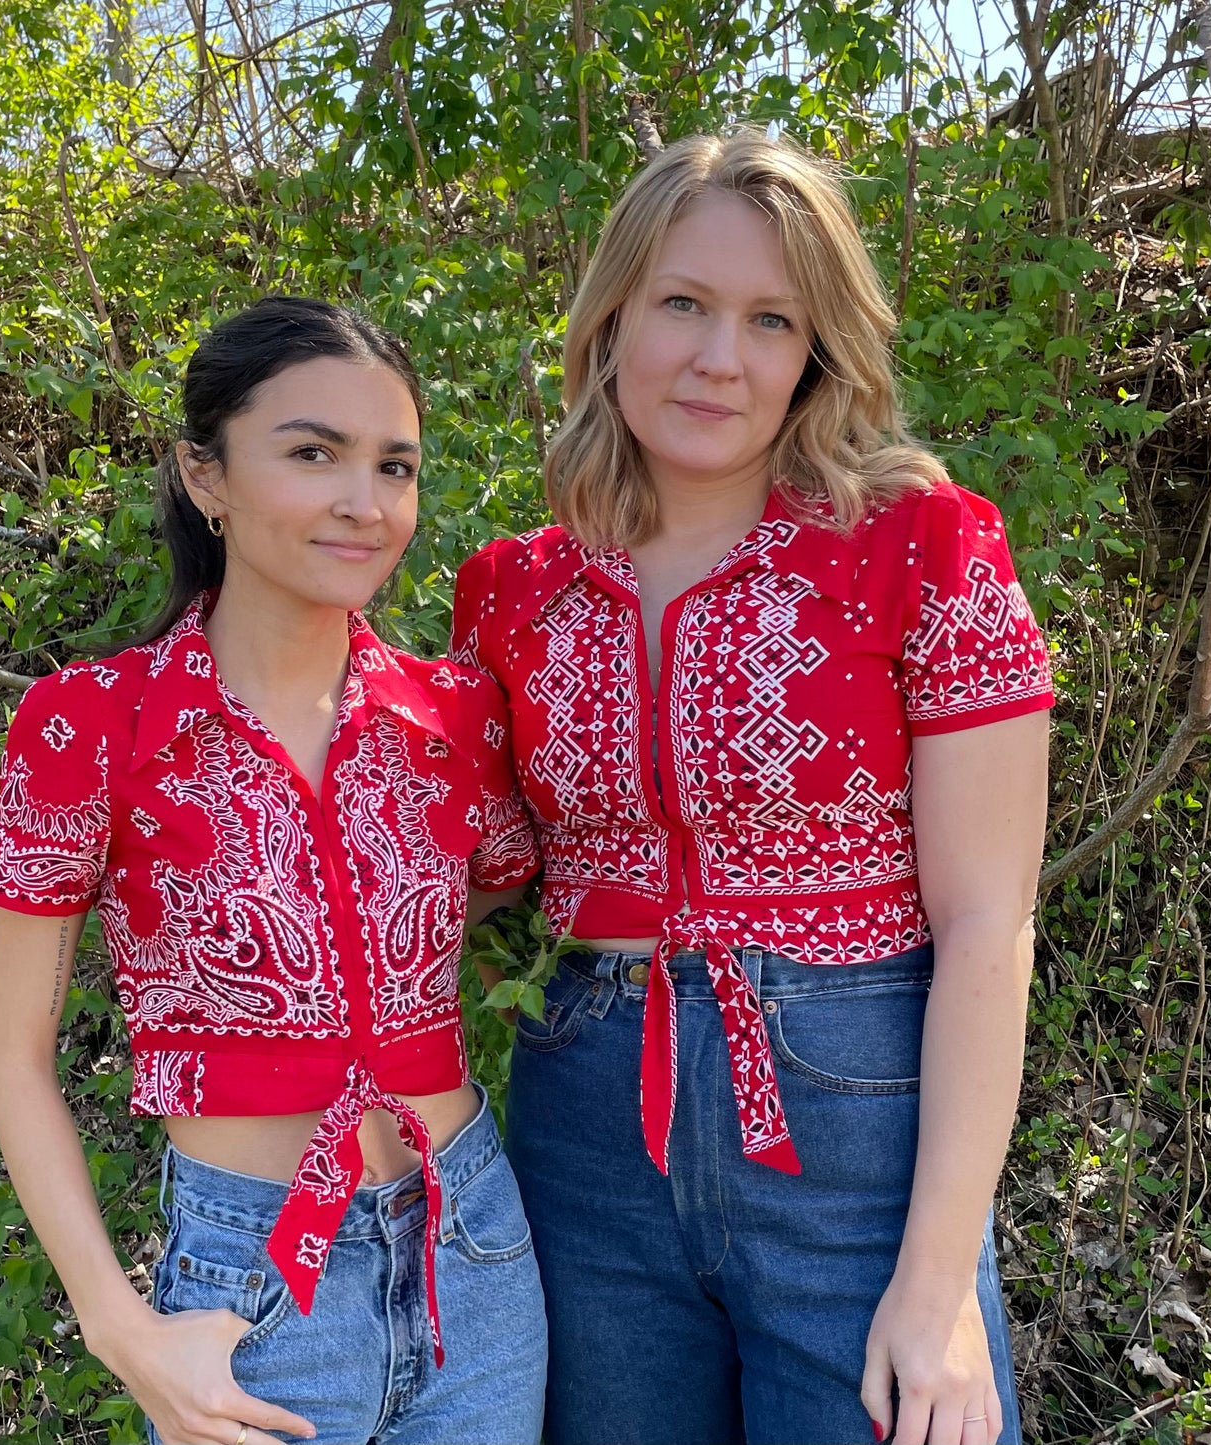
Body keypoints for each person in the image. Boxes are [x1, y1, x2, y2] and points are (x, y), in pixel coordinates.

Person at [452, 131, 1054, 1445]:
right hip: (588, 1128)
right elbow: (467, 873)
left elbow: (988, 923)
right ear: (610, 318)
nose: (720, 356)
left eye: (769, 319)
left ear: (814, 352)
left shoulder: (920, 545)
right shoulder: (515, 589)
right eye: (683, 303)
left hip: (853, 1136)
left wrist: (941, 1280)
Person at [0, 297, 547, 1445]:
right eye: (311, 452)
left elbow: (489, 879)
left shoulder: (450, 714)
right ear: (207, 477)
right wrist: (119, 1327)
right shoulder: (93, 722)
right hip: (253, 1280)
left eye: (394, 465)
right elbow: (15, 1059)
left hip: (471, 1247)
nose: (363, 501)